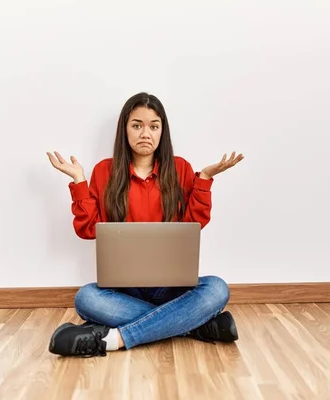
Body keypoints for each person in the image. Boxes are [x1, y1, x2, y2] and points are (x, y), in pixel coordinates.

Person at [46, 92, 244, 358]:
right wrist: (80, 182)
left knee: (217, 288)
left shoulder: (180, 168)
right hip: (124, 288)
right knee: (86, 298)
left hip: (171, 287)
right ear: (125, 129)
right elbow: (87, 229)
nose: (145, 133)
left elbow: (193, 225)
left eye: (153, 126)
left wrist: (204, 178)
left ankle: (114, 339)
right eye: (137, 125)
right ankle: (194, 325)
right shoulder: (105, 171)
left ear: (163, 131)